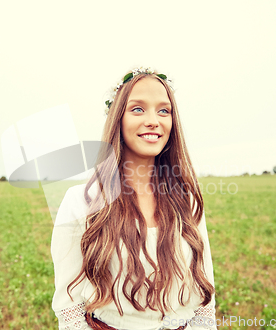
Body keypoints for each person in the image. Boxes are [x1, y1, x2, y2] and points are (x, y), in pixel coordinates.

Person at [51, 67, 217, 330]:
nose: (153, 120)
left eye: (164, 110)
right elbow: (69, 307)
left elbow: (205, 298)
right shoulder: (82, 201)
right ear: (118, 119)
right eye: (138, 109)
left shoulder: (187, 201)